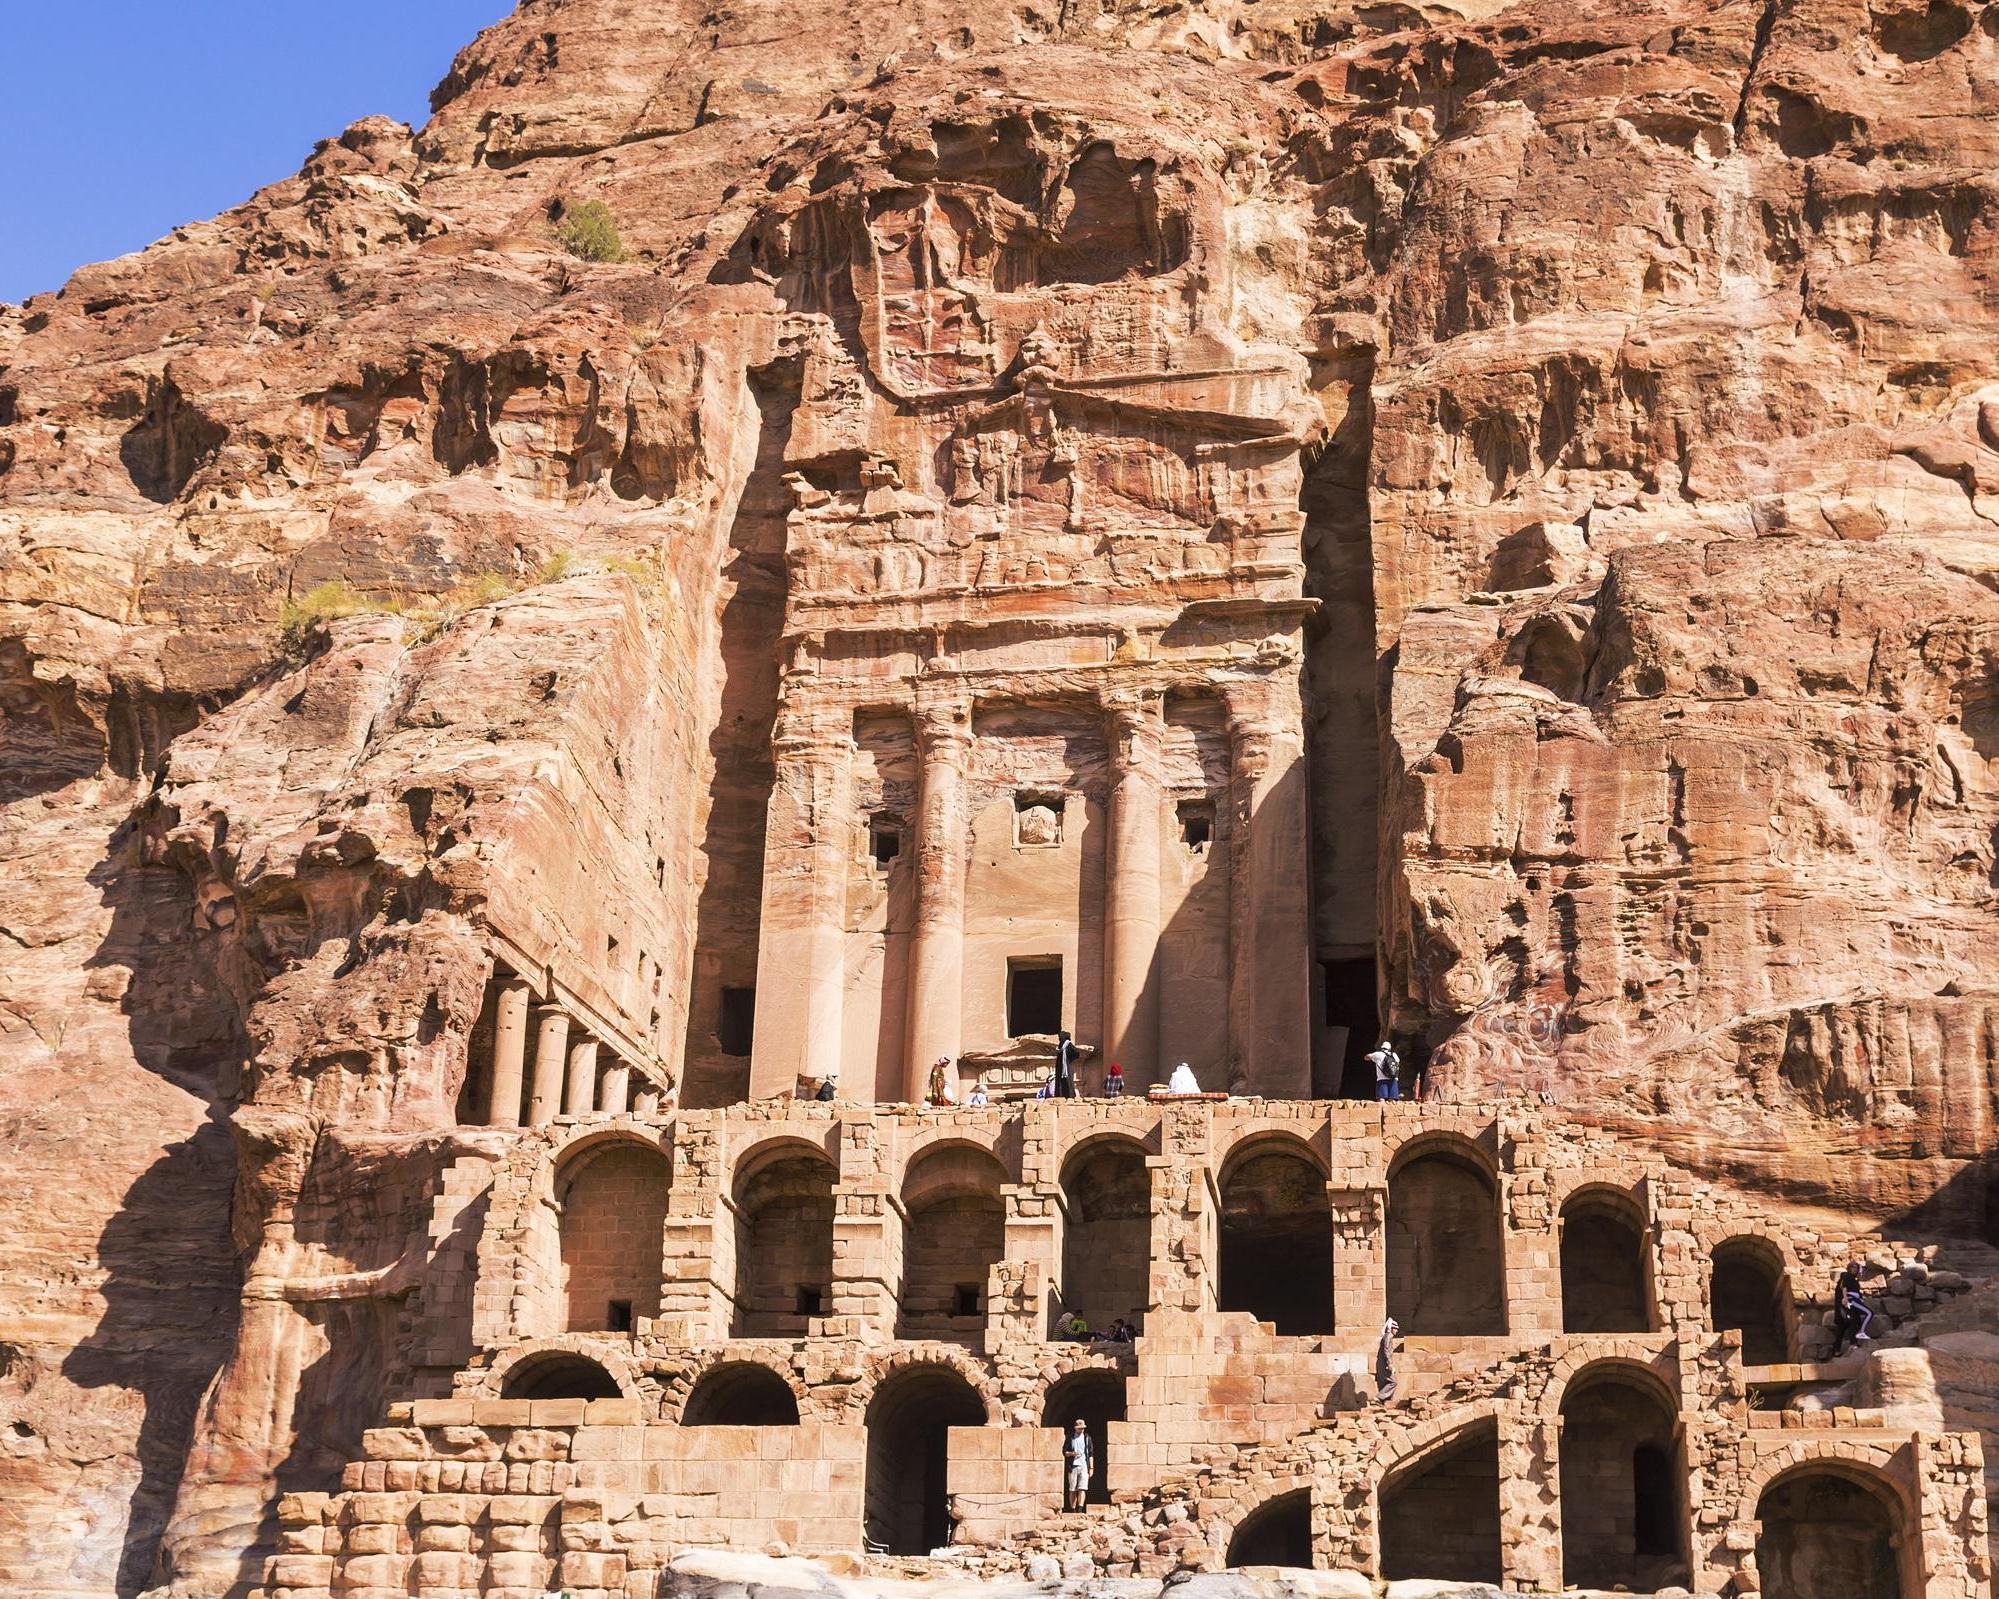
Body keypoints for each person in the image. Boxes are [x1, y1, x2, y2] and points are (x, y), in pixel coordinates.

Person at [1834, 1260, 1874, 1352]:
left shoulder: (1854, 1280)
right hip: (1846, 1304)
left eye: (1856, 1268)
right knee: (1848, 1324)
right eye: (1853, 1267)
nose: (1855, 1269)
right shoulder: (1847, 1277)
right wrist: (1845, 1300)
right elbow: (1844, 1289)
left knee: (1855, 1322)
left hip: (1850, 1304)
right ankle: (1854, 1340)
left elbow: (1854, 1291)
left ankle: (1853, 1344)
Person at [1063, 1419, 1093, 1512]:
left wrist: (1091, 1468)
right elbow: (1064, 1452)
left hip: (1084, 1465)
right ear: (1075, 1428)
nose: (1081, 1430)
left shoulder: (1087, 1438)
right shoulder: (1070, 1438)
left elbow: (1091, 1454)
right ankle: (1073, 1509)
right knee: (1072, 1489)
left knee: (1082, 1488)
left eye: (1083, 1428)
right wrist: (1072, 1453)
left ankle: (1080, 1509)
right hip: (1073, 1466)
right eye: (1079, 1428)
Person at [1375, 1316, 1400, 1403]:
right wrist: (1389, 1363)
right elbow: (1386, 1349)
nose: (1397, 1331)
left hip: (1382, 1362)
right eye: (1395, 1329)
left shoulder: (1387, 1336)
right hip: (1384, 1363)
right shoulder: (1388, 1336)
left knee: (1385, 1383)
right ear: (1392, 1328)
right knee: (1393, 1382)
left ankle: (1381, 1401)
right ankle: (1379, 1397)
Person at [1055, 1029, 1079, 1099]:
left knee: (1067, 1081)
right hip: (1060, 1067)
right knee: (1060, 1082)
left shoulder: (1068, 1044)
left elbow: (1076, 1053)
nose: (1059, 1038)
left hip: (1066, 1067)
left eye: (1060, 1037)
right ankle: (1060, 1095)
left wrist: (1070, 1059)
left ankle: (1069, 1095)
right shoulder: (1060, 1045)